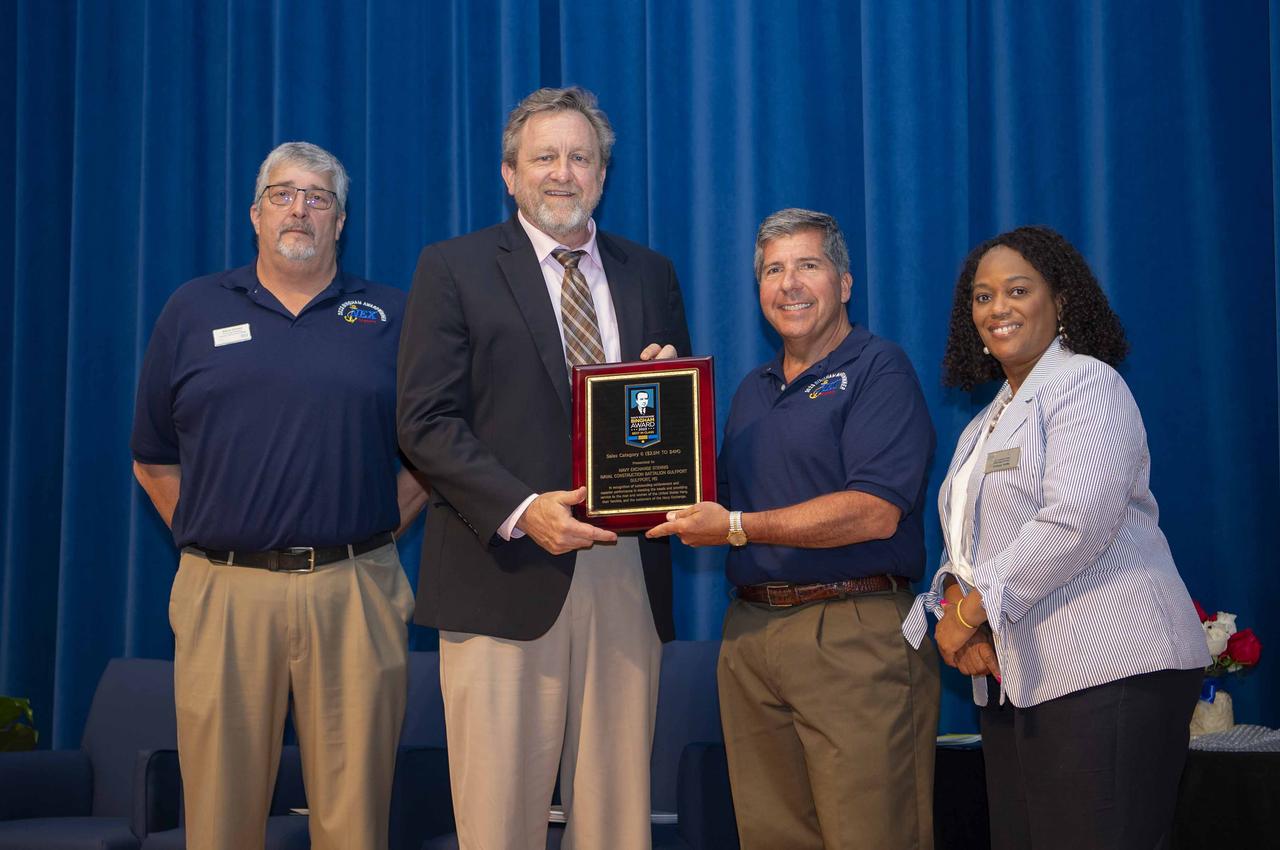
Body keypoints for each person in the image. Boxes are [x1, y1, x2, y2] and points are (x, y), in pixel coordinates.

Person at [397, 86, 691, 850]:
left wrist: (665, 384)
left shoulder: (649, 274)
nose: (563, 172)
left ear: (602, 173)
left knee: (619, 820)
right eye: (545, 157)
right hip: (502, 573)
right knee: (499, 821)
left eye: (580, 157)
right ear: (509, 173)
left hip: (626, 572)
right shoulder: (453, 268)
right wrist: (525, 509)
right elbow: (423, 422)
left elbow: (670, 424)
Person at [131, 142, 428, 850]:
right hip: (224, 594)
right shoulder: (192, 308)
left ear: (341, 220)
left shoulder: (390, 316)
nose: (300, 209)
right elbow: (152, 458)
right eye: (283, 195)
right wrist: (217, 539)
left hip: (356, 590)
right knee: (219, 818)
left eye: (318, 197)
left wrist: (380, 530)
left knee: (355, 818)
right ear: (255, 215)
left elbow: (435, 454)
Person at [903, 225, 1210, 850]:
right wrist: (954, 618)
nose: (998, 309)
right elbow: (967, 549)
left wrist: (972, 609)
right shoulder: (983, 425)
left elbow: (1077, 518)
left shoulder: (1086, 384)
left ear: (1061, 299)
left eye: (1018, 290)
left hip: (1109, 666)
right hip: (1022, 676)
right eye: (983, 297)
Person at [648, 208, 939, 850]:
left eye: (808, 265)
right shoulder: (753, 388)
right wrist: (656, 396)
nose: (790, 284)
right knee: (772, 835)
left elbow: (874, 509)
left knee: (873, 834)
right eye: (774, 270)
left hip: (853, 629)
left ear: (845, 282)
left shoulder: (878, 368)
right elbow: (705, 496)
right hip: (751, 635)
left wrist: (738, 528)